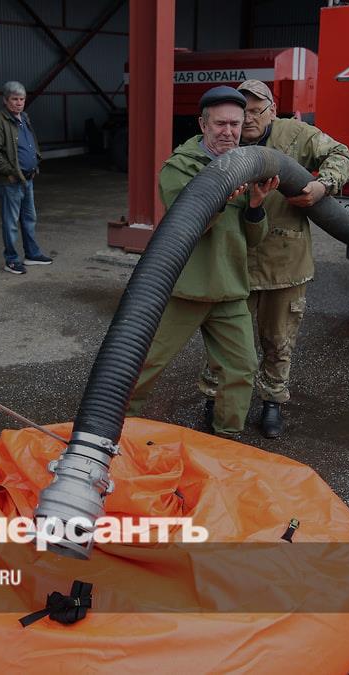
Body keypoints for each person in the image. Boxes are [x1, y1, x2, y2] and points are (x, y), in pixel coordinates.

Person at [201, 79, 349, 438]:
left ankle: (272, 402)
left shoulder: (296, 136)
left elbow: (342, 155)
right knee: (224, 341)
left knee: (278, 339)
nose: (248, 119)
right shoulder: (225, 135)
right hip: (233, 265)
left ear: (272, 111)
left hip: (284, 264)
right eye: (244, 112)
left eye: (257, 111)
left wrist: (322, 186)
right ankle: (215, 400)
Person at [126, 86, 278, 438]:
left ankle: (227, 439)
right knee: (143, 365)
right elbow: (189, 225)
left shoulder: (245, 164)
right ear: (202, 125)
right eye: (220, 124)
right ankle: (110, 433)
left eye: (235, 124)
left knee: (241, 369)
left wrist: (256, 205)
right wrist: (221, 198)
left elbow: (254, 239)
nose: (229, 132)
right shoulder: (179, 168)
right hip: (185, 290)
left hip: (229, 290)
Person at [0, 81, 53, 275]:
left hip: (27, 179)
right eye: (14, 99)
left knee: (29, 219)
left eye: (22, 99)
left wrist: (35, 161)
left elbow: (29, 143)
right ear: (5, 100)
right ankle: (11, 260)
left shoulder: (24, 117)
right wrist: (10, 172)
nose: (19, 103)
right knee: (11, 223)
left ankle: (32, 254)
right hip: (12, 181)